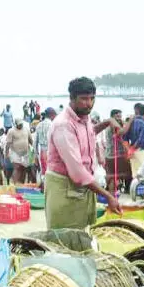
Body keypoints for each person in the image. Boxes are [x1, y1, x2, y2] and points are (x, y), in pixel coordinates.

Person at [45, 77, 121, 229]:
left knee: (84, 235)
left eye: (92, 98)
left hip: (83, 188)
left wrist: (106, 123)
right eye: (84, 99)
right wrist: (108, 196)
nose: (89, 103)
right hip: (65, 189)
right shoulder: (63, 125)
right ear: (72, 98)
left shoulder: (84, 119)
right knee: (65, 239)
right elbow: (77, 173)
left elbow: (89, 133)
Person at [124, 104, 144, 179]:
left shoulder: (131, 122)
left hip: (132, 152)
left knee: (135, 175)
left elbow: (125, 138)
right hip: (143, 151)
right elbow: (141, 140)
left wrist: (130, 149)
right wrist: (134, 148)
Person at [35, 107, 56, 177]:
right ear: (52, 115)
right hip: (51, 151)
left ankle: (44, 186)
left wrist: (36, 155)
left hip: (42, 151)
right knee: (52, 172)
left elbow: (35, 142)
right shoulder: (53, 125)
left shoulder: (39, 125)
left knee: (44, 171)